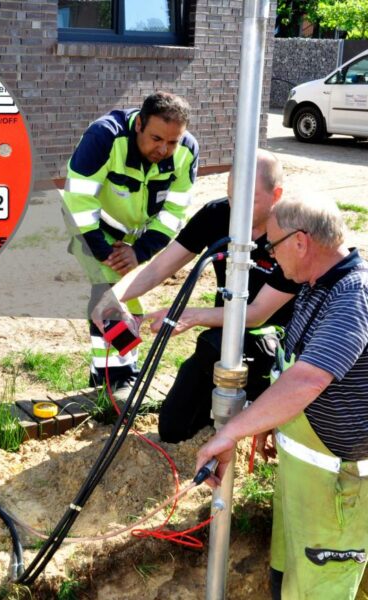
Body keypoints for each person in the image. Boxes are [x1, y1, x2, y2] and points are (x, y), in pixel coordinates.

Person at [195, 194, 368, 600]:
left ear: (301, 242)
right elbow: (291, 368)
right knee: (288, 580)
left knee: (321, 589)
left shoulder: (352, 297)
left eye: (272, 246)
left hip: (338, 492)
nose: (269, 258)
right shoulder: (313, 286)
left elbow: (307, 381)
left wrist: (230, 432)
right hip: (305, 479)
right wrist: (271, 420)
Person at [92, 149, 300, 442]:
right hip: (221, 339)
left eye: (249, 200)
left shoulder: (293, 233)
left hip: (275, 345)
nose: (236, 209)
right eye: (231, 197)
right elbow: (160, 267)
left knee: (217, 345)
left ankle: (259, 407)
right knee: (173, 428)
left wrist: (188, 316)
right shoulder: (217, 215)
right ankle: (226, 412)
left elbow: (256, 314)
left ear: (276, 194)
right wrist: (113, 298)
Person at [63, 91, 198, 398]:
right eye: (156, 139)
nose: (164, 149)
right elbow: (78, 199)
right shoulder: (104, 136)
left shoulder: (187, 151)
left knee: (129, 295)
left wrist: (140, 252)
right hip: (92, 228)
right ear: (138, 124)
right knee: (109, 291)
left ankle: (112, 375)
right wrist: (103, 251)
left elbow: (175, 211)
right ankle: (116, 379)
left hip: (137, 239)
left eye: (172, 141)